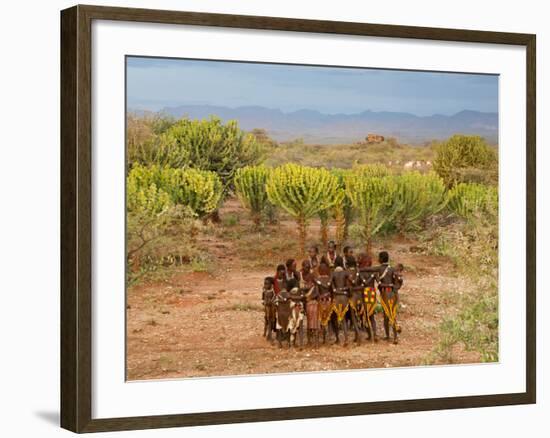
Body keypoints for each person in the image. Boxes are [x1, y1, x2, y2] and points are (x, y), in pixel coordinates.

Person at [362, 251, 401, 344]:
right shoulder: (392, 269)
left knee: (388, 316)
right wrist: (395, 290)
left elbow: (368, 269)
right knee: (391, 315)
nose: (378, 259)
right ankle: (394, 337)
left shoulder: (379, 268)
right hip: (393, 294)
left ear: (381, 259)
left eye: (379, 258)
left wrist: (359, 269)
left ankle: (390, 337)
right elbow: (399, 281)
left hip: (385, 295)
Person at [358, 253, 378, 342]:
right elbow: (379, 281)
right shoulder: (373, 271)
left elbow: (359, 284)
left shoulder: (360, 271)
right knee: (371, 315)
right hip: (372, 293)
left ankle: (370, 335)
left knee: (365, 315)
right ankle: (375, 334)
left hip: (364, 294)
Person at [330, 255, 351, 344]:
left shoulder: (333, 273)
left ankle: (338, 338)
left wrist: (335, 290)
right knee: (344, 319)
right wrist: (344, 291)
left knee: (334, 318)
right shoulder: (345, 273)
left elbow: (330, 285)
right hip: (345, 297)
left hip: (336, 298)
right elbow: (349, 286)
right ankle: (346, 338)